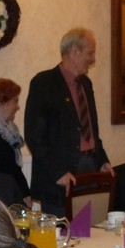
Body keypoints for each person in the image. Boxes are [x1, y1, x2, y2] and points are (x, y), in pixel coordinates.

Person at [24, 27, 112, 216]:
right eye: (90, 53)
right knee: (63, 231)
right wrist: (58, 172)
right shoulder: (43, 83)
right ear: (74, 51)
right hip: (59, 178)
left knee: (92, 226)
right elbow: (34, 137)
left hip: (90, 170)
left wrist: (102, 160)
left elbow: (91, 132)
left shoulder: (86, 84)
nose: (93, 59)